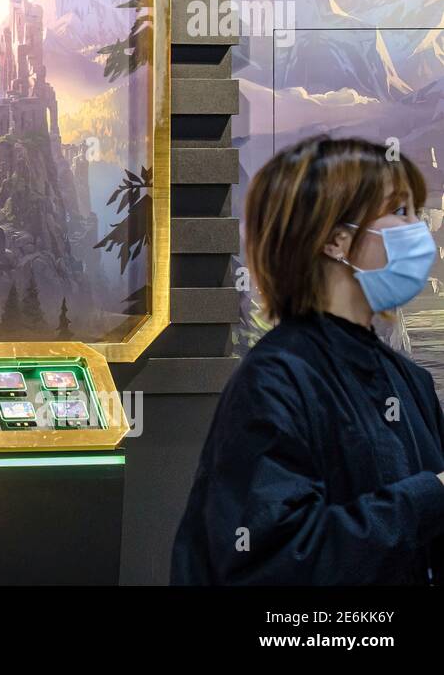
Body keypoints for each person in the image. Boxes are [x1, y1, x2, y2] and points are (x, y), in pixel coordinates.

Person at [171, 135, 444, 584]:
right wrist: (429, 496)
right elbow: (274, 559)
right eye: (400, 212)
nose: (420, 230)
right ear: (337, 240)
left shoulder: (408, 380)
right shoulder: (274, 381)